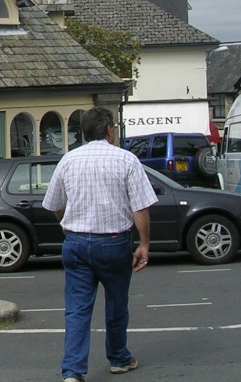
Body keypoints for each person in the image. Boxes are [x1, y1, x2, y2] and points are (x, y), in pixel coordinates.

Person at [41, 106, 158, 382]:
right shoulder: (127, 160)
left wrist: (66, 222)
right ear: (108, 130)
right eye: (113, 127)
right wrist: (144, 244)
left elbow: (55, 205)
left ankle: (73, 371)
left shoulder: (68, 160)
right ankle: (118, 358)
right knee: (117, 304)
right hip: (114, 242)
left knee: (78, 308)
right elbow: (140, 208)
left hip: (76, 242)